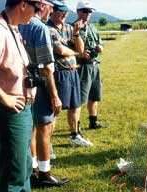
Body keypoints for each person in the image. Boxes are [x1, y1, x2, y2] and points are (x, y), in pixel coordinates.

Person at [0, 0, 57, 192]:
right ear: (23, 4)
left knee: (23, 164)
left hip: (24, 107)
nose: (39, 12)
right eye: (36, 7)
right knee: (13, 169)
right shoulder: (1, 30)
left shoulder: (13, 28)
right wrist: (4, 97)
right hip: (10, 112)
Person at [19, 0, 69, 187]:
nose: (51, 10)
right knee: (45, 127)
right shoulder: (39, 27)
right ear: (43, 5)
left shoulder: (17, 24)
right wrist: (55, 95)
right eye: (50, 6)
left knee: (31, 129)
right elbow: (47, 68)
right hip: (39, 84)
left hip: (22, 83)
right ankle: (45, 173)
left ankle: (32, 169)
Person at [47, 1, 93, 146]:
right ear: (52, 11)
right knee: (55, 110)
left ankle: (74, 136)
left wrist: (76, 33)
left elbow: (80, 48)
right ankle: (47, 143)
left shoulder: (69, 28)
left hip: (73, 71)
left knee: (75, 106)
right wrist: (77, 55)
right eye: (61, 11)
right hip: (59, 73)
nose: (65, 14)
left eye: (66, 11)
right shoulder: (48, 29)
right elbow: (60, 50)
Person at [75, 0, 106, 130]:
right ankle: (76, 127)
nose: (88, 14)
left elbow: (101, 44)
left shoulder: (93, 27)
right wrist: (79, 54)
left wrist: (100, 48)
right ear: (78, 12)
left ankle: (93, 122)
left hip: (95, 65)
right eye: (85, 11)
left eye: (90, 12)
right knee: (80, 99)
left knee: (94, 96)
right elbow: (69, 49)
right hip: (83, 66)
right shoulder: (73, 28)